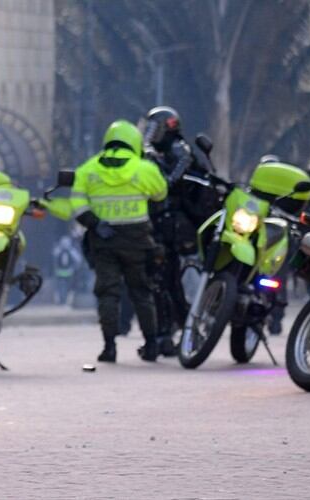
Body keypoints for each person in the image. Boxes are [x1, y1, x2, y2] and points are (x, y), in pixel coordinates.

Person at [71, 120, 168, 363]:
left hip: (104, 240)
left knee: (108, 293)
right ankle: (151, 345)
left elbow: (78, 205)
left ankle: (109, 347)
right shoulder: (143, 169)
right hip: (137, 240)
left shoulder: (88, 169)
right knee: (141, 292)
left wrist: (95, 224)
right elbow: (161, 193)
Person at [142, 106, 213, 356]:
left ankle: (186, 331)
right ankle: (165, 335)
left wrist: (153, 164)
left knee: (177, 281)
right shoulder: (161, 153)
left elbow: (170, 182)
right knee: (163, 282)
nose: (150, 133)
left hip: (178, 226)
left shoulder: (179, 151)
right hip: (163, 224)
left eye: (155, 127)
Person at [51, 233, 82, 304]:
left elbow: (77, 260)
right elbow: (54, 260)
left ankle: (66, 300)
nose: (65, 244)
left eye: (66, 242)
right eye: (63, 242)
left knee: (69, 287)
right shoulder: (58, 250)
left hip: (69, 272)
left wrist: (73, 269)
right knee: (60, 287)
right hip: (60, 272)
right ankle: (61, 300)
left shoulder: (72, 251)